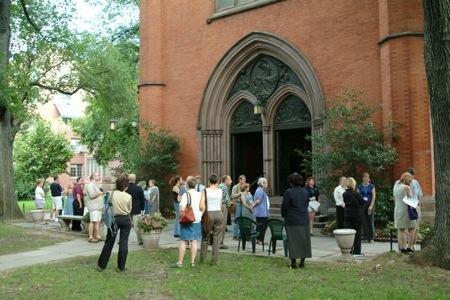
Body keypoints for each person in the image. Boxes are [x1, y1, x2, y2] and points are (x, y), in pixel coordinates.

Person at [97, 176, 132, 272]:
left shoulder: (112, 194)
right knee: (124, 242)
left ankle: (101, 265)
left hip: (114, 219)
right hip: (125, 219)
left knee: (109, 242)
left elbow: (108, 205)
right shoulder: (128, 196)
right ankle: (121, 267)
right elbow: (129, 210)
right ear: (126, 186)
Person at [172, 176, 205, 268]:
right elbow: (203, 207)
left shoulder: (186, 195)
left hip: (187, 220)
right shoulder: (200, 194)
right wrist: (199, 215)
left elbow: (182, 209)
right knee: (194, 240)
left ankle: (180, 262)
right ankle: (192, 262)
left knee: (183, 241)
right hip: (197, 220)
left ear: (187, 184)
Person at [281, 173, 312, 269]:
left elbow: (284, 206)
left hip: (292, 219)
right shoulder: (305, 191)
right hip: (304, 219)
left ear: (291, 182)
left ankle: (294, 263)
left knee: (293, 241)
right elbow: (306, 204)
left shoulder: (288, 192)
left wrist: (284, 215)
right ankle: (302, 262)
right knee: (304, 240)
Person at [200, 174, 224, 265]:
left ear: (209, 181)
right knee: (216, 238)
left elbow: (202, 205)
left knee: (205, 236)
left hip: (209, 214)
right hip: (218, 213)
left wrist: (201, 214)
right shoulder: (220, 191)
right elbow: (221, 204)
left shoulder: (205, 190)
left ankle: (203, 259)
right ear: (217, 181)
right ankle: (215, 260)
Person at [393, 172, 417, 253]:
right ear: (406, 180)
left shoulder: (396, 184)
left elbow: (395, 198)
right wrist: (416, 205)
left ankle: (402, 248)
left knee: (401, 229)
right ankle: (410, 247)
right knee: (412, 227)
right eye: (410, 181)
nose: (410, 182)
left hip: (397, 209)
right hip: (406, 209)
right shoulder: (406, 187)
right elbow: (410, 199)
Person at [343, 177, 365, 256]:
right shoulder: (356, 193)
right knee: (357, 234)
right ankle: (357, 252)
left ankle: (349, 250)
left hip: (348, 215)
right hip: (356, 216)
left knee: (349, 234)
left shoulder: (344, 194)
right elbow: (362, 202)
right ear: (353, 184)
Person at [126, 174, 145, 245]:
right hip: (136, 209)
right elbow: (142, 200)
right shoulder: (139, 188)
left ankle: (122, 240)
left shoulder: (125, 188)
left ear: (128, 179)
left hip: (126, 209)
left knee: (125, 226)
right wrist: (142, 209)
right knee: (137, 226)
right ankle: (140, 240)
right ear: (135, 179)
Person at [357, 172, 376, 243]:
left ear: (369, 179)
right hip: (362, 206)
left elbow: (374, 196)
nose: (366, 179)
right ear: (362, 179)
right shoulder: (359, 187)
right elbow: (358, 196)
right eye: (364, 178)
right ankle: (366, 237)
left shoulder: (372, 186)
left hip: (370, 205)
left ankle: (371, 237)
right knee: (364, 221)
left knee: (370, 221)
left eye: (367, 178)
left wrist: (371, 206)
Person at [407, 167, 422, 250]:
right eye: (410, 176)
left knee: (416, 228)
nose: (412, 178)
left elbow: (419, 194)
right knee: (411, 227)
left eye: (412, 176)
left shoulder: (416, 182)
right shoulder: (405, 183)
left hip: (416, 206)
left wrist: (419, 205)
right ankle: (409, 245)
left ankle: (413, 245)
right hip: (409, 206)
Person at [87, 173, 104, 243]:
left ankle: (97, 235)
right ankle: (91, 237)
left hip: (98, 207)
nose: (99, 176)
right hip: (94, 206)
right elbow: (92, 195)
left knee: (97, 222)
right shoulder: (90, 185)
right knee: (93, 221)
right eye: (97, 175)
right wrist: (100, 193)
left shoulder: (95, 185)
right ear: (93, 177)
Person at [253, 177, 270, 245]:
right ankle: (260, 240)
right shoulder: (260, 190)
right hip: (262, 213)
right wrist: (253, 206)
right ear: (263, 183)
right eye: (266, 183)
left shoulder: (259, 190)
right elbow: (257, 201)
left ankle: (258, 239)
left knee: (259, 227)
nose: (267, 184)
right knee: (263, 227)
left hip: (261, 212)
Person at [219, 175, 232, 249]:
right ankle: (220, 243)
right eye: (230, 179)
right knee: (223, 225)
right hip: (223, 206)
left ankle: (216, 241)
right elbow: (226, 200)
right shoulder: (224, 187)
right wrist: (230, 203)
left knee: (219, 225)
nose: (231, 181)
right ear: (226, 181)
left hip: (220, 206)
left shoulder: (221, 186)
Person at [231, 175, 246, 240]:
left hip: (244, 204)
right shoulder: (235, 187)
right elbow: (233, 196)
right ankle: (235, 235)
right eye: (243, 179)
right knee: (237, 220)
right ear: (240, 180)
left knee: (242, 220)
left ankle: (240, 235)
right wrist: (240, 193)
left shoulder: (245, 186)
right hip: (238, 204)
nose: (244, 180)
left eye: (245, 179)